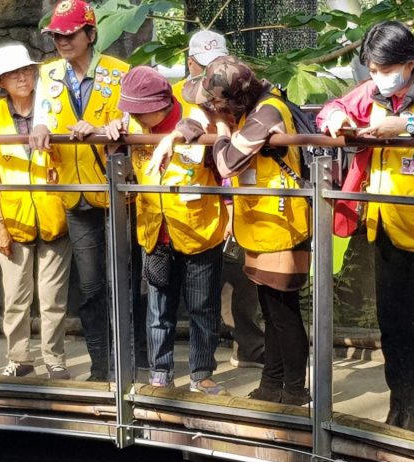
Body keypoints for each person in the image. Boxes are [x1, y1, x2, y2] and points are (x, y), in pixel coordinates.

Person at [317, 21, 414, 434]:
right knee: (390, 322)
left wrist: (406, 127)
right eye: (370, 69)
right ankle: (398, 402)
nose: (375, 78)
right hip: (385, 224)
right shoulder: (373, 91)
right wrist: (336, 118)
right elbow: (330, 108)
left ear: (409, 63)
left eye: (382, 69)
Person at [151, 55, 311, 405]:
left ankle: (296, 391)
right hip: (261, 224)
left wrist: (222, 131)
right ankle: (272, 384)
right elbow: (197, 123)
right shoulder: (249, 107)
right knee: (271, 310)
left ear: (231, 101)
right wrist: (175, 136)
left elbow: (226, 161)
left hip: (281, 225)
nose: (210, 110)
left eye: (215, 103)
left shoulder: (266, 113)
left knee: (283, 311)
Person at [107, 66, 229, 395]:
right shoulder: (130, 124)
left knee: (204, 307)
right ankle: (160, 372)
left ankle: (202, 373)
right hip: (154, 231)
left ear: (161, 104)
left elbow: (218, 154)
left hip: (199, 229)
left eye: (140, 111)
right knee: (159, 306)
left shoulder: (196, 116)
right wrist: (113, 135)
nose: (135, 116)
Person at [29, 0, 129, 381]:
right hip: (73, 192)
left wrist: (104, 128)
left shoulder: (119, 72)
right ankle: (102, 366)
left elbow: (131, 119)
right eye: (56, 35)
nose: (61, 41)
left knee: (123, 281)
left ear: (90, 34)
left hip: (114, 191)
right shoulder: (49, 73)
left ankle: (130, 364)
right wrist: (39, 127)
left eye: (69, 34)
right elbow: (43, 115)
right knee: (89, 288)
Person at [0, 44, 73, 380]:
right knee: (16, 297)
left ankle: (55, 360)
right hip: (14, 218)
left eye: (26, 70)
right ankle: (19, 357)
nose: (21, 76)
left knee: (53, 299)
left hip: (54, 216)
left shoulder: (54, 109)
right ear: (1, 81)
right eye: (12, 73)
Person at [175, 29, 265, 371]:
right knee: (207, 284)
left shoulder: (237, 88)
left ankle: (248, 343)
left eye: (220, 61)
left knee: (242, 277)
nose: (217, 69)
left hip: (233, 191)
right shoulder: (179, 95)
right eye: (207, 64)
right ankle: (202, 358)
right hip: (194, 197)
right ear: (191, 63)